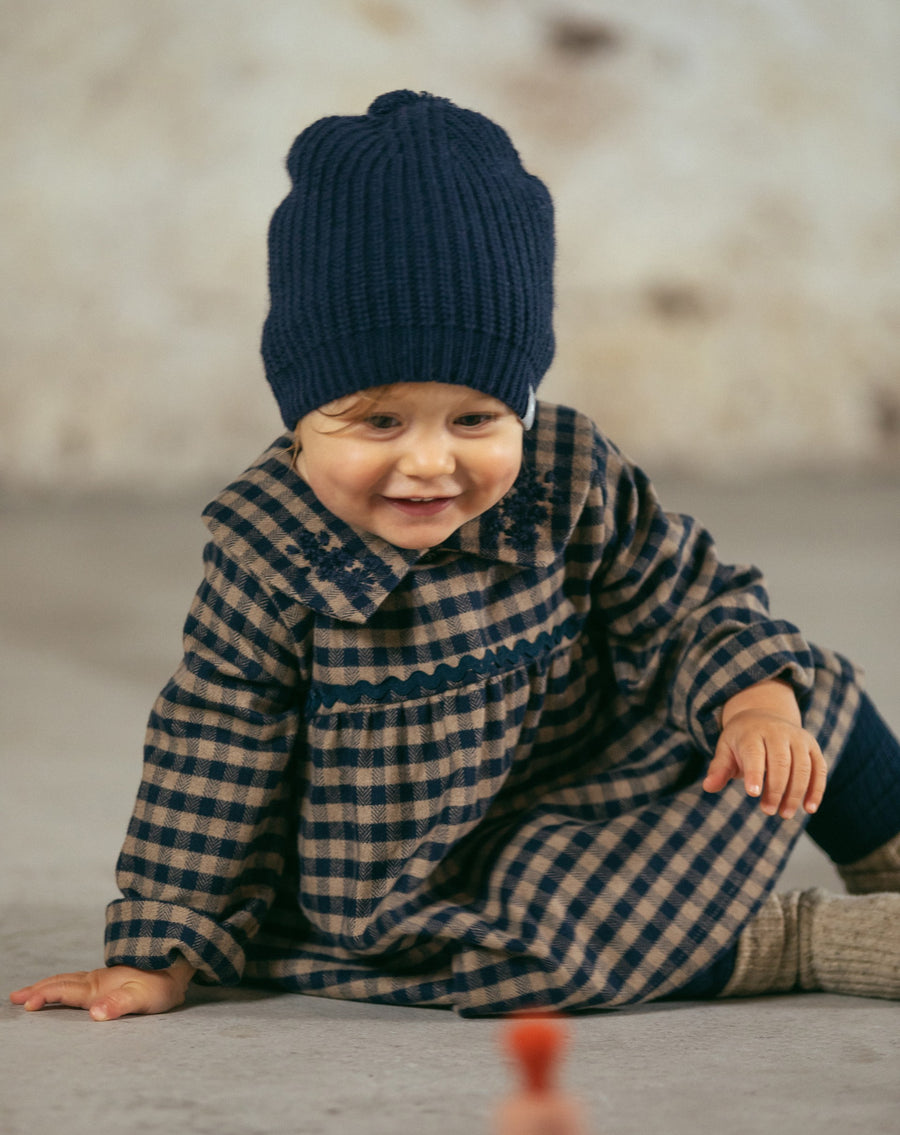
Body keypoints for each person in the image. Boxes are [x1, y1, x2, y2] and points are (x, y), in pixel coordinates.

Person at [11, 89, 900, 1022]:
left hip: (591, 784)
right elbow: (212, 752)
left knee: (807, 692)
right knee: (539, 958)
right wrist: (161, 952)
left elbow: (684, 604)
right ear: (299, 410)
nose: (429, 462)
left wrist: (752, 700)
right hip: (429, 882)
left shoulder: (569, 474)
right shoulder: (271, 555)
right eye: (379, 421)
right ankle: (785, 938)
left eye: (476, 419)